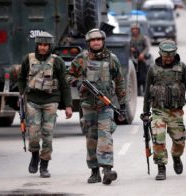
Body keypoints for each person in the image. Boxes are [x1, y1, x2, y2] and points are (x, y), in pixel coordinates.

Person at [67, 28, 126, 185]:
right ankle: (94, 171)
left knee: (105, 136)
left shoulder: (112, 59)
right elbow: (68, 75)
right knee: (91, 138)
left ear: (103, 41)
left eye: (99, 39)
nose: (96, 42)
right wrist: (78, 82)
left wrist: (123, 104)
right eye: (93, 40)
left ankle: (107, 170)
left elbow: (120, 81)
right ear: (88, 43)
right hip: (87, 106)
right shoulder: (82, 59)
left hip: (105, 106)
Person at [18, 32, 73, 178]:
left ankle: (44, 165)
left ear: (50, 46)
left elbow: (65, 84)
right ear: (37, 45)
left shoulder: (57, 61)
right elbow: (21, 78)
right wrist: (22, 93)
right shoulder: (28, 59)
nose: (43, 48)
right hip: (32, 101)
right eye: (40, 45)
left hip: (51, 101)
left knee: (47, 135)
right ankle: (35, 155)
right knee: (33, 134)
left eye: (46, 45)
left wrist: (68, 106)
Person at [141, 40, 186, 180]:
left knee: (179, 141)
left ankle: (176, 157)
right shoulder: (153, 69)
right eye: (165, 56)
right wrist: (146, 112)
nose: (168, 58)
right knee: (158, 139)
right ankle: (161, 168)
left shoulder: (181, 67)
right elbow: (147, 92)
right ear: (160, 54)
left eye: (170, 56)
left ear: (174, 54)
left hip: (176, 111)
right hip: (158, 111)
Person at [130, 23, 151, 96]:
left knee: (144, 76)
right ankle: (137, 92)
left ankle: (145, 91)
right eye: (133, 29)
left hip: (142, 60)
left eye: (136, 29)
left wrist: (142, 54)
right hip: (134, 60)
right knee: (136, 76)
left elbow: (147, 47)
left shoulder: (143, 38)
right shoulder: (130, 39)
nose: (135, 31)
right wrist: (131, 50)